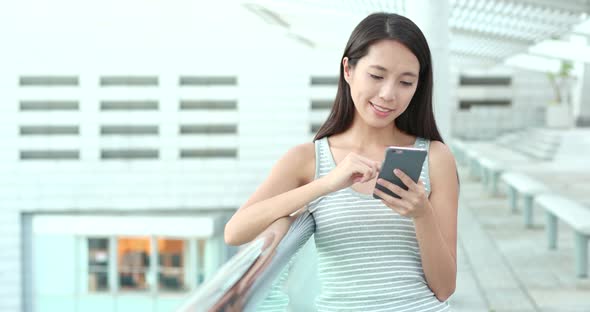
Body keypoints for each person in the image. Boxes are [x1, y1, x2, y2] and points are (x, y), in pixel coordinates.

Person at [225, 12, 459, 311]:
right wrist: (326, 184)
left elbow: (444, 288)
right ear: (348, 69)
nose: (388, 94)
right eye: (376, 76)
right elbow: (235, 232)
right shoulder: (306, 159)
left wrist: (422, 214)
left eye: (405, 82)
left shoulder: (435, 157)